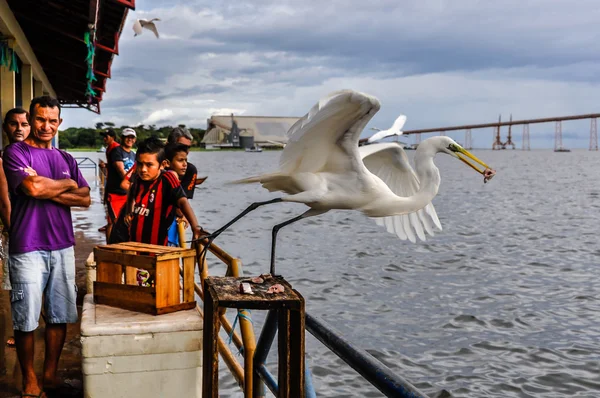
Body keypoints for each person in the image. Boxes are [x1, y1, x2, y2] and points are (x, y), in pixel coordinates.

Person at [3, 96, 91, 398]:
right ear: (31, 117)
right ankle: (29, 380)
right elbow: (31, 188)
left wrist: (50, 187)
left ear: (60, 123)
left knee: (59, 314)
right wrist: (65, 185)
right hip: (27, 245)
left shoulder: (65, 158)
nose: (46, 126)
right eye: (40, 119)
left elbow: (85, 198)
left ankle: (50, 376)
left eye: (52, 121)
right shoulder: (15, 152)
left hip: (63, 244)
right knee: (25, 317)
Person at [123, 136, 203, 247]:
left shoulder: (167, 178)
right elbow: (131, 191)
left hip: (158, 246)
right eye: (140, 164)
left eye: (149, 165)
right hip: (135, 243)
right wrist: (128, 211)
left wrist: (195, 227)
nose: (143, 169)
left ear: (163, 164)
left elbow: (183, 201)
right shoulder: (137, 178)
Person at [1, 107, 31, 348]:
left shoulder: (31, 155)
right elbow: (4, 203)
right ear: (5, 128)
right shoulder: (5, 157)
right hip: (18, 229)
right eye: (14, 124)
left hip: (32, 228)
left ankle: (30, 325)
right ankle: (21, 328)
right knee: (18, 282)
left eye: (24, 123)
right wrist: (15, 231)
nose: (19, 128)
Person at [104, 128, 136, 240]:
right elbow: (121, 171)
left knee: (127, 221)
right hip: (115, 193)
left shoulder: (133, 154)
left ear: (135, 140)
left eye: (132, 137)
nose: (129, 139)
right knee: (113, 221)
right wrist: (131, 182)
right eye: (127, 137)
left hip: (127, 193)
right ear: (122, 138)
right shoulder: (116, 151)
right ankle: (109, 248)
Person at [163, 143, 192, 246]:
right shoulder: (171, 175)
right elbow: (179, 202)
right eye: (180, 160)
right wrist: (183, 215)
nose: (185, 164)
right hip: (167, 235)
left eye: (186, 160)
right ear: (167, 163)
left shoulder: (162, 177)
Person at [167, 127, 199, 199]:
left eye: (188, 147)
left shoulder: (190, 169)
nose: (186, 151)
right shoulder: (155, 165)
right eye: (182, 147)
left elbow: (183, 202)